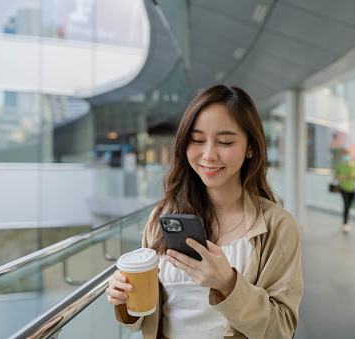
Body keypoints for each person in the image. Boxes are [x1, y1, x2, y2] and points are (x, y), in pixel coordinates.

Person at [106, 85, 303, 338]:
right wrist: (125, 299)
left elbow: (282, 329)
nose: (209, 155)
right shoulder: (162, 216)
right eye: (197, 140)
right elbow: (144, 319)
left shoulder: (278, 225)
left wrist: (228, 285)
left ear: (250, 147)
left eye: (225, 142)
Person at [334, 149, 355, 233]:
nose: (347, 157)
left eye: (348, 155)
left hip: (352, 188)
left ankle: (345, 222)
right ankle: (345, 223)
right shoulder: (339, 166)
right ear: (342, 156)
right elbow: (335, 177)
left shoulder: (353, 166)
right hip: (343, 188)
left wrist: (354, 176)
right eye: (345, 155)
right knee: (346, 205)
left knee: (349, 206)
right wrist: (340, 176)